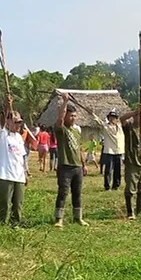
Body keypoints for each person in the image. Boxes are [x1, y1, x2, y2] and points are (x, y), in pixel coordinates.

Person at [0, 95, 38, 227]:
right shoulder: (2, 134)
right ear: (8, 122)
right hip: (4, 175)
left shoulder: (19, 137)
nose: (18, 125)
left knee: (18, 203)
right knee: (4, 202)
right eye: (15, 122)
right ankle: (2, 225)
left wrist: (25, 173)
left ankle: (15, 225)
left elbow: (22, 157)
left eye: (19, 122)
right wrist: (7, 106)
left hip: (18, 176)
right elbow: (2, 119)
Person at [52, 93, 89, 227]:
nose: (73, 118)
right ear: (65, 115)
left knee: (77, 193)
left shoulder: (76, 131)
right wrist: (65, 102)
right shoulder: (61, 130)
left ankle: (78, 218)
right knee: (63, 192)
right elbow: (59, 119)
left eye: (75, 116)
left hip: (77, 167)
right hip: (65, 166)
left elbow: (79, 149)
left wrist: (84, 165)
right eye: (70, 115)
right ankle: (59, 219)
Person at [121, 105, 141, 219]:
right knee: (130, 189)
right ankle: (130, 212)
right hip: (132, 162)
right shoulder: (129, 127)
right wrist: (134, 112)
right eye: (140, 116)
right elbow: (122, 119)